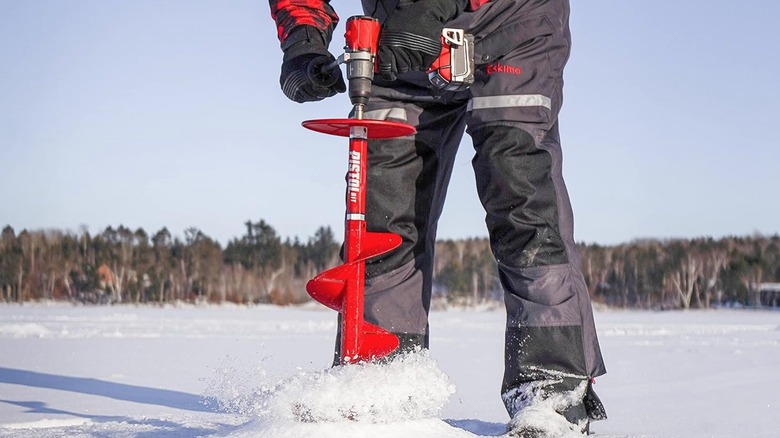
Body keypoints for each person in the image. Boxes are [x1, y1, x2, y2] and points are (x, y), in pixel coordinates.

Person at [268, 0, 607, 435]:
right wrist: (303, 39)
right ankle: (381, 376)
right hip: (396, 38)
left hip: (511, 23)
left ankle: (551, 391)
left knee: (518, 188)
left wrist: (430, 8)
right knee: (384, 212)